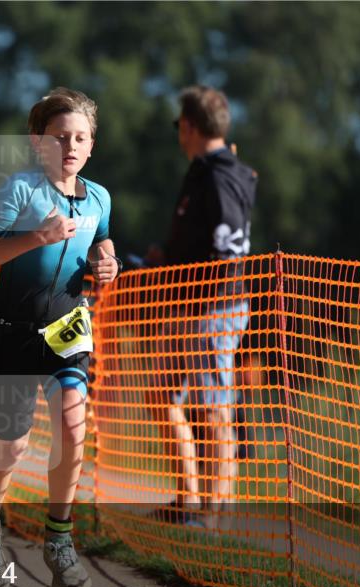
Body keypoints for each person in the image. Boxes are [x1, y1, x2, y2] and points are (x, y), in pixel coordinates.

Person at [0, 87, 121, 587]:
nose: (69, 147)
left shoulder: (99, 197)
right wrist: (36, 237)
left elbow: (101, 240)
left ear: (92, 145)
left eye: (79, 138)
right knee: (12, 446)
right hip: (12, 331)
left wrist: (108, 264)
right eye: (59, 138)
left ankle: (59, 539)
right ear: (38, 143)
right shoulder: (20, 191)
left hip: (67, 328)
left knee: (74, 426)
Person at [144, 86, 257, 525]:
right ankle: (188, 500)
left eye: (179, 125)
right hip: (188, 302)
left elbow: (226, 241)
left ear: (188, 126)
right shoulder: (208, 170)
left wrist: (189, 269)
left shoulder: (219, 173)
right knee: (162, 394)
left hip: (212, 304)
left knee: (213, 406)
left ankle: (215, 515)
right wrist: (166, 258)